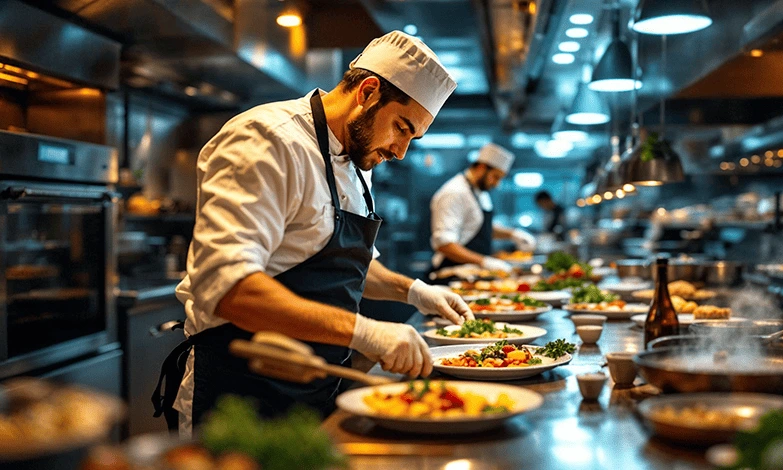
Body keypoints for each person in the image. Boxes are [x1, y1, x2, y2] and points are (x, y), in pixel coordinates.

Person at [152, 31, 474, 436]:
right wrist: (365, 332)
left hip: (319, 390)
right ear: (368, 92)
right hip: (242, 395)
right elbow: (228, 287)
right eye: (402, 128)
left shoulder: (359, 164)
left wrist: (414, 291)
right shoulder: (266, 141)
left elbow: (342, 262)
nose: (401, 150)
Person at [429, 143, 537, 274]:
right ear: (481, 168)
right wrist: (484, 262)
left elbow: (477, 228)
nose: (497, 184)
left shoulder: (480, 193)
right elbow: (444, 244)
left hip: (474, 273)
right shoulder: (454, 193)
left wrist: (513, 234)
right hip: (450, 274)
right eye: (496, 177)